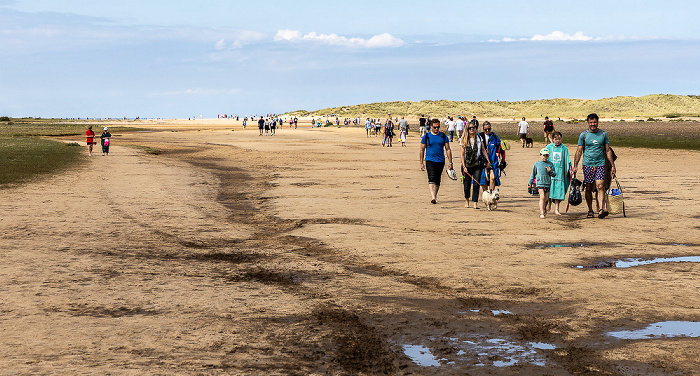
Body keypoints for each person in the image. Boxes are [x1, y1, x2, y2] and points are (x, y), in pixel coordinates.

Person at [572, 113, 617, 219]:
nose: (593, 124)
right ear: (588, 123)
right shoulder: (583, 135)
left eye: (595, 122)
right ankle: (590, 210)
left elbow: (608, 150)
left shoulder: (603, 134)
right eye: (591, 122)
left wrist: (612, 165)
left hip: (600, 164)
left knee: (600, 186)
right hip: (587, 164)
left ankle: (601, 209)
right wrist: (575, 165)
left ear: (598, 122)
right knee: (588, 187)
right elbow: (579, 151)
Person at [420, 118, 453, 204]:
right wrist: (421, 162)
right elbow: (422, 150)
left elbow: (448, 149)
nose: (436, 129)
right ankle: (433, 197)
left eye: (438, 127)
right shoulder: (426, 137)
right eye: (435, 127)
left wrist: (450, 162)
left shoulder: (443, 136)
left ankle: (435, 195)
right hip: (429, 160)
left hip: (440, 160)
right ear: (431, 126)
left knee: (438, 179)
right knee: (431, 177)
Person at [459, 121, 488, 209]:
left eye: (473, 128)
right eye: (470, 128)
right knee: (467, 184)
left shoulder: (479, 137)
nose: (472, 129)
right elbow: (462, 154)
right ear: (467, 129)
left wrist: (488, 161)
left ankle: (475, 202)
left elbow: (483, 150)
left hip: (477, 164)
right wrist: (464, 166)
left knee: (476, 183)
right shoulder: (463, 139)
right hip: (467, 164)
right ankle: (467, 200)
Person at [545, 131, 572, 215]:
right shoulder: (548, 147)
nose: (558, 141)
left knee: (558, 190)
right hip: (550, 172)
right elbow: (544, 158)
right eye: (556, 139)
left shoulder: (564, 148)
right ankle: (548, 204)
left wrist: (570, 169)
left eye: (559, 139)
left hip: (560, 173)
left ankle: (557, 208)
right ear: (552, 139)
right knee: (549, 189)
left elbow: (567, 160)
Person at [528, 148, 557, 219]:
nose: (545, 157)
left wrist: (550, 171)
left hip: (547, 183)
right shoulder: (537, 164)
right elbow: (533, 173)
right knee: (542, 197)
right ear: (540, 155)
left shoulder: (550, 164)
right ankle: (541, 213)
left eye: (546, 156)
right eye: (543, 155)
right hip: (539, 183)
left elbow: (554, 174)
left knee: (546, 199)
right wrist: (530, 182)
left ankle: (544, 209)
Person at [479, 121, 503, 192]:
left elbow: (500, 148)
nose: (487, 131)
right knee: (483, 180)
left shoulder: (494, 137)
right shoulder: (479, 136)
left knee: (493, 178)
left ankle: (491, 194)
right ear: (483, 129)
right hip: (482, 161)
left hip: (493, 161)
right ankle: (486, 195)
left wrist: (502, 160)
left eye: (488, 129)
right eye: (485, 129)